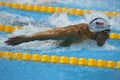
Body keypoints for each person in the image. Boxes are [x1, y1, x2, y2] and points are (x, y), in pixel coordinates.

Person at [5, 17, 110, 47]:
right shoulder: (75, 33)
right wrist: (24, 39)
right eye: (106, 33)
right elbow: (49, 35)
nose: (108, 37)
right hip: (41, 44)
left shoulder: (90, 35)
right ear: (98, 32)